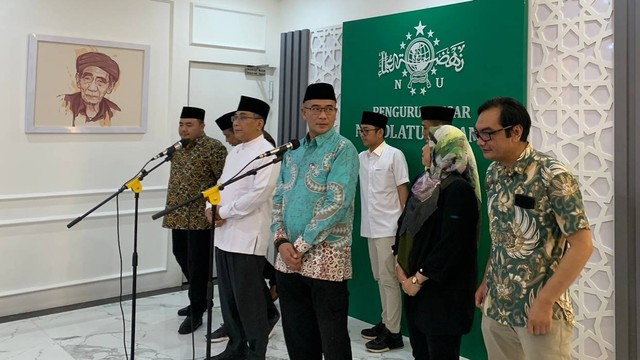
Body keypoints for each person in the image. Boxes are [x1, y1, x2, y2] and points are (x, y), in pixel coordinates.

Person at [473, 97, 593, 360]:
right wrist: (486, 281)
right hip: (497, 308)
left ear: (515, 131)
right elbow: (500, 237)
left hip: (539, 311)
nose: (480, 141)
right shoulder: (493, 173)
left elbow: (583, 246)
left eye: (487, 133)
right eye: (477, 134)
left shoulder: (553, 175)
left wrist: (546, 301)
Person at [272, 83, 359, 360]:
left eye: (329, 109)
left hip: (326, 259)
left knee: (332, 340)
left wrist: (299, 245)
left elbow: (336, 202)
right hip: (288, 260)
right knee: (297, 336)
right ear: (303, 112)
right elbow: (278, 199)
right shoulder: (293, 151)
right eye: (316, 109)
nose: (323, 116)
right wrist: (281, 241)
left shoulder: (343, 149)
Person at [393, 106, 481, 359]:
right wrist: (399, 261)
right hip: (416, 290)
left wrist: (417, 279)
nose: (423, 148)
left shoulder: (458, 191)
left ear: (445, 149)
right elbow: (406, 224)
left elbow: (451, 246)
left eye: (429, 143)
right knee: (420, 351)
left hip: (441, 294)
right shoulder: (425, 181)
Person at [208, 96, 281, 360]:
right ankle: (235, 347)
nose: (235, 122)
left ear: (259, 123)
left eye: (242, 117)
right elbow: (220, 184)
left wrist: (223, 212)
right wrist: (210, 205)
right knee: (228, 299)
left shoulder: (267, 154)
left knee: (249, 303)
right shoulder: (235, 152)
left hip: (247, 237)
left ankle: (254, 352)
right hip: (223, 235)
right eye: (235, 118)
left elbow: (259, 194)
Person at [162, 106, 227, 334]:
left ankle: (197, 310)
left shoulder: (214, 148)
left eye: (189, 125)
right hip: (178, 215)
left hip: (201, 217)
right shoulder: (177, 149)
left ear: (202, 126)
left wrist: (218, 209)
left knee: (197, 265)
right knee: (180, 255)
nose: (183, 129)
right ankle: (201, 299)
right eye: (181, 124)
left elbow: (224, 181)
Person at [357, 111, 409, 352]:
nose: (363, 134)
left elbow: (402, 190)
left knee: (389, 279)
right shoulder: (361, 158)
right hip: (370, 226)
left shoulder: (393, 156)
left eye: (367, 130)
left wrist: (403, 227)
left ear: (381, 132)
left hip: (390, 227)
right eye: (361, 130)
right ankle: (386, 321)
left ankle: (394, 333)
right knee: (380, 277)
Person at [62, 51, 121, 127]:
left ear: (110, 87)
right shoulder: (62, 104)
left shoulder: (115, 113)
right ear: (78, 79)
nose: (92, 88)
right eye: (87, 79)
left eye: (100, 82)